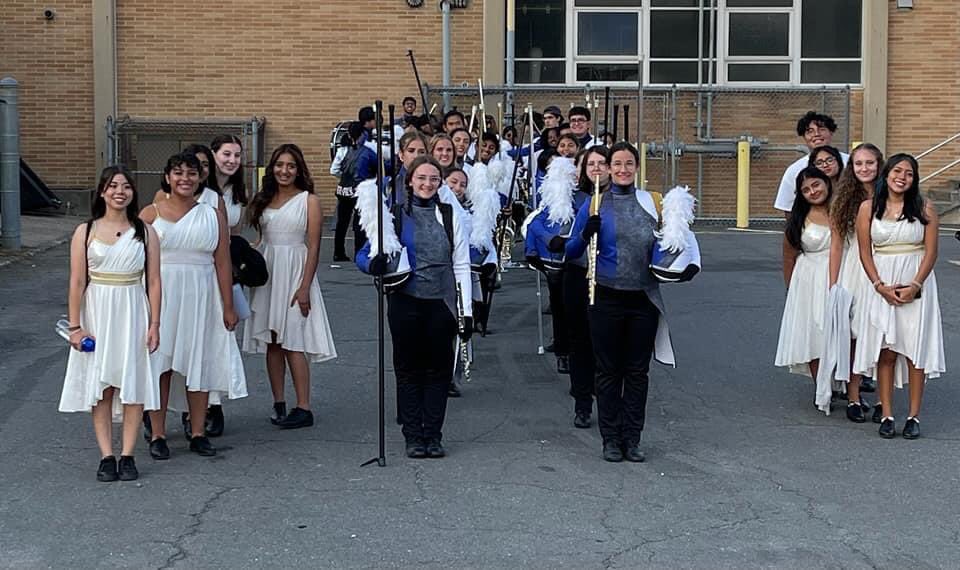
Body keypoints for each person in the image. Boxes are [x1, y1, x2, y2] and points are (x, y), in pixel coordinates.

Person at [565, 142, 676, 463]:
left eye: (629, 163)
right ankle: (610, 439)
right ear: (608, 169)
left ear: (637, 167)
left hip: (643, 298)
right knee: (609, 372)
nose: (623, 169)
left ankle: (633, 438)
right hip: (605, 296)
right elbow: (571, 252)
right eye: (617, 164)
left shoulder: (652, 202)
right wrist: (585, 233)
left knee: (637, 372)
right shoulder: (595, 203)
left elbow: (672, 245)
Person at [357, 156, 473, 459]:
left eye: (434, 179)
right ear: (410, 180)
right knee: (408, 370)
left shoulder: (449, 215)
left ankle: (433, 434)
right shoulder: (394, 215)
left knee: (438, 371)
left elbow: (461, 264)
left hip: (442, 302)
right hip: (405, 300)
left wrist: (467, 311)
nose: (427, 184)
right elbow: (364, 253)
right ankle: (412, 435)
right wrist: (374, 264)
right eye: (421, 177)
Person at [139, 151, 246, 460]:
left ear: (201, 178)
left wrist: (229, 306)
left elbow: (222, 263)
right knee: (160, 364)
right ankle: (158, 433)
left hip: (202, 293)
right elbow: (138, 263)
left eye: (191, 173)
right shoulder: (150, 214)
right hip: (163, 295)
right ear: (168, 177)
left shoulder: (213, 215)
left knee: (199, 362)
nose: (185, 178)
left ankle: (198, 432)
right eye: (178, 173)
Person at [59, 166, 161, 482]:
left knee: (132, 382)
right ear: (102, 192)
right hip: (97, 310)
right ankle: (106, 455)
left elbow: (154, 281)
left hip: (132, 308)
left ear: (132, 192)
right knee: (100, 385)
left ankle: (128, 455)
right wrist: (75, 327)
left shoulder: (145, 231)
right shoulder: (85, 231)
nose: (120, 191)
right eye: (113, 185)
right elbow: (77, 281)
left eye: (126, 186)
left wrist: (155, 322)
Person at [245, 144, 337, 428]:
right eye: (279, 165)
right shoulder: (264, 199)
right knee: (273, 341)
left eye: (291, 166)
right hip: (269, 272)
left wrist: (305, 286)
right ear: (272, 168)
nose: (284, 170)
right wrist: (251, 254)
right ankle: (279, 402)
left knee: (294, 341)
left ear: (299, 170)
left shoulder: (309, 200)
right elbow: (262, 238)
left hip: (296, 270)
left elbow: (313, 246)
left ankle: (303, 406)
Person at [853, 154, 945, 439]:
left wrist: (916, 284)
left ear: (914, 179)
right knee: (886, 350)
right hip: (882, 285)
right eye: (897, 171)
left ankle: (914, 416)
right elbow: (865, 251)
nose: (902, 177)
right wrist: (879, 285)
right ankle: (888, 414)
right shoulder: (868, 208)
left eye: (909, 173)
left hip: (917, 285)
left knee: (915, 352)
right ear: (887, 174)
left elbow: (931, 252)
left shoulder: (925, 208)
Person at [828, 143, 884, 421]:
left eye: (870, 163)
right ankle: (853, 395)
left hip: (885, 267)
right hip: (853, 269)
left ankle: (884, 400)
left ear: (879, 165)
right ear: (852, 168)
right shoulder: (844, 199)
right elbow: (837, 245)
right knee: (853, 333)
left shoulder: (893, 195)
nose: (864, 168)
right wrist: (833, 284)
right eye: (859, 163)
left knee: (884, 333)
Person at [561, 146, 609, 428]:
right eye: (591, 163)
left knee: (603, 342)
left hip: (606, 279)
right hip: (578, 274)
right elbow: (567, 245)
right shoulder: (575, 198)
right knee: (579, 341)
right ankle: (582, 402)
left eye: (602, 163)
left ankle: (605, 397)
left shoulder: (618, 199)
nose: (596, 168)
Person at [775, 112, 848, 285]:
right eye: (809, 131)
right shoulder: (794, 171)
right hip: (814, 248)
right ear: (804, 137)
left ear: (831, 132)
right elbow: (789, 214)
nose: (816, 134)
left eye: (821, 129)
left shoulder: (850, 163)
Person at [774, 167, 833, 384]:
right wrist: (792, 291)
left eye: (816, 184)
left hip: (843, 276)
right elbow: (789, 257)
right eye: (806, 190)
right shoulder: (799, 220)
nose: (813, 191)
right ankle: (822, 386)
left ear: (827, 183)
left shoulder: (843, 211)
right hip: (809, 280)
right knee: (815, 332)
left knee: (843, 332)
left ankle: (847, 386)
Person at [525, 152, 578, 375]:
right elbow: (534, 224)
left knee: (576, 310)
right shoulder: (550, 203)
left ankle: (576, 351)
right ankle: (563, 352)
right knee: (559, 308)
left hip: (577, 261)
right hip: (552, 262)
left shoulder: (584, 199)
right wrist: (544, 242)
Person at [330, 122, 372, 261]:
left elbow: (334, 170)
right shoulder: (365, 151)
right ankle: (358, 253)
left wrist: (344, 176)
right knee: (359, 223)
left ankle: (338, 252)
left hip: (343, 190)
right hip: (359, 190)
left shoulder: (343, 150)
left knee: (342, 223)